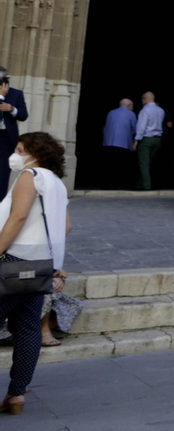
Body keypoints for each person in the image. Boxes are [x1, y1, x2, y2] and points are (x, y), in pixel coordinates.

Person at [0, 132, 70, 414]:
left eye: (20, 150)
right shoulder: (56, 183)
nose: (15, 155)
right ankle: (17, 394)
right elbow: (66, 227)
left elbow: (17, 217)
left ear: (35, 153)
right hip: (39, 265)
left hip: (14, 260)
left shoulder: (30, 176)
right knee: (28, 327)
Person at [100, 98, 137, 189]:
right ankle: (115, 185)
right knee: (118, 166)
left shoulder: (111, 112)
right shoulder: (131, 114)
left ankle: (106, 185)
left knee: (108, 165)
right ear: (129, 105)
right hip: (122, 144)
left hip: (108, 142)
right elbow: (135, 129)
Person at [0, 69, 27, 194]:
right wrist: (1, 97)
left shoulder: (16, 94)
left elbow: (23, 115)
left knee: (2, 174)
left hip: (6, 138)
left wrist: (12, 109)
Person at [134, 92, 164, 191]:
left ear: (144, 98)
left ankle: (147, 186)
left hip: (146, 138)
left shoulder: (145, 110)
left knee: (144, 163)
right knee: (150, 163)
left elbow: (141, 127)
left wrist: (136, 140)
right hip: (157, 139)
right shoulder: (161, 110)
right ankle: (140, 185)